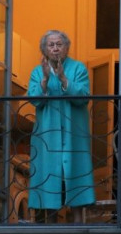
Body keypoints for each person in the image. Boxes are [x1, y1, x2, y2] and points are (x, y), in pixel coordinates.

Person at [27, 30, 95, 223]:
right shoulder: (37, 71)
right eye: (51, 45)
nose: (55, 48)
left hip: (74, 135)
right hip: (48, 136)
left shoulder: (78, 68)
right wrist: (46, 81)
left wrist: (64, 78)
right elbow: (34, 100)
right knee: (50, 177)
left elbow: (83, 98)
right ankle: (51, 226)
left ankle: (79, 225)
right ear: (44, 49)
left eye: (59, 44)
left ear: (66, 47)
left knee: (74, 174)